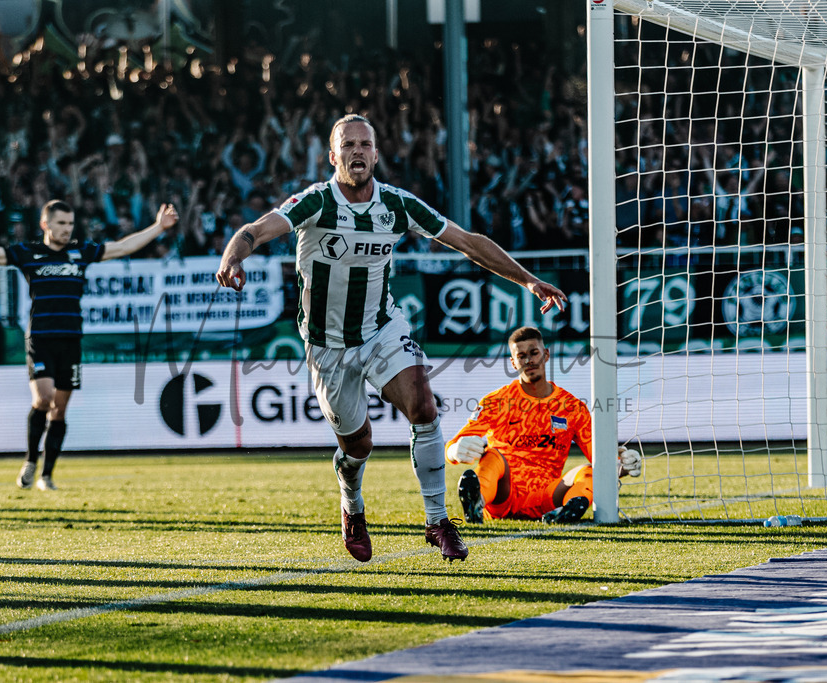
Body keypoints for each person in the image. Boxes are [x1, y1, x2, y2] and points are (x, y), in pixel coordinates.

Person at [215, 114, 569, 562]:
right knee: (358, 444)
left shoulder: (397, 205)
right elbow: (255, 230)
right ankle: (352, 506)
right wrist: (233, 257)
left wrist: (527, 280)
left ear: (376, 154)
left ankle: (437, 521)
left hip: (382, 328)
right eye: (348, 145)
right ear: (333, 156)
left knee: (423, 404)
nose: (357, 152)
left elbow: (468, 241)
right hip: (327, 344)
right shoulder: (315, 202)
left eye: (365, 144)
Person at [0, 200, 179, 490]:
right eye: (60, 223)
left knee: (59, 410)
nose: (66, 229)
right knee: (43, 400)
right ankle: (31, 461)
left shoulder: (82, 252)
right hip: (41, 338)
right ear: (45, 224)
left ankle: (47, 475)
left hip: (71, 339)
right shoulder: (28, 253)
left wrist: (158, 227)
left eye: (70, 224)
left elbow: (121, 247)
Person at [445, 326, 642, 524]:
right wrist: (455, 450)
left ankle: (568, 510)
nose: (529, 360)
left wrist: (622, 465)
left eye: (534, 353)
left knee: (588, 471)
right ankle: (477, 502)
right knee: (492, 456)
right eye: (521, 356)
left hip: (548, 498)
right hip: (501, 498)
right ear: (513, 363)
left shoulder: (572, 407)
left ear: (545, 355)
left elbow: (600, 458)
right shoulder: (496, 402)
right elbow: (454, 444)